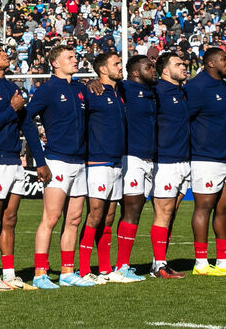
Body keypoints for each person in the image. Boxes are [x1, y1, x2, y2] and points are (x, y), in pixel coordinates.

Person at [0, 40, 49, 291]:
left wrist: (40, 162)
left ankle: (10, 274)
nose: (5, 54)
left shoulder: (12, 87)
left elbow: (27, 127)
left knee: (11, 218)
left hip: (15, 161)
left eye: (4, 51)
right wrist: (12, 108)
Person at [28, 45, 93, 287]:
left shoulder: (80, 89)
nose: (75, 60)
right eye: (69, 57)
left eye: (75, 56)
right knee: (51, 217)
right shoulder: (46, 90)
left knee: (74, 219)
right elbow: (26, 118)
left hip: (80, 162)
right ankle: (40, 273)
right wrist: (40, 160)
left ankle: (67, 272)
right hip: (57, 161)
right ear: (55, 63)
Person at [80, 52, 143, 283]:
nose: (121, 67)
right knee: (95, 214)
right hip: (97, 161)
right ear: (102, 69)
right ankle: (84, 270)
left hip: (117, 162)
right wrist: (90, 82)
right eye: (116, 64)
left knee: (108, 216)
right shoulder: (91, 91)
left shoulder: (121, 91)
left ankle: (106, 269)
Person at [185, 47, 226, 276]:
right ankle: (201, 263)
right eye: (224, 59)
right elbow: (185, 120)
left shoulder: (225, 87)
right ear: (210, 63)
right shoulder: (196, 87)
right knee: (204, 207)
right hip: (205, 159)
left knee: (225, 208)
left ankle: (222, 261)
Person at [115, 55, 159, 278]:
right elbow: (104, 84)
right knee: (130, 210)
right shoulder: (124, 87)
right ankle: (121, 266)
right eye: (148, 67)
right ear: (134, 72)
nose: (154, 69)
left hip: (149, 159)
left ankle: (123, 264)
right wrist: (93, 81)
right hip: (131, 158)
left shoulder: (153, 91)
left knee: (136, 211)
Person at [150, 52, 190, 278]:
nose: (184, 66)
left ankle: (160, 261)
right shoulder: (156, 92)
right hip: (165, 160)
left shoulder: (183, 92)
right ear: (165, 70)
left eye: (184, 63)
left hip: (184, 160)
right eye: (178, 64)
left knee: (171, 213)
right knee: (163, 212)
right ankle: (159, 266)